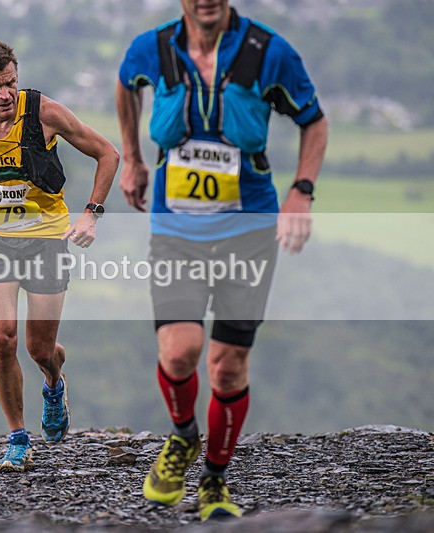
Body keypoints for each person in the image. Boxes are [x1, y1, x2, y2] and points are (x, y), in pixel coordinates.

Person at [116, 0, 327, 522]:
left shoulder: (269, 52)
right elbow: (126, 84)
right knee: (180, 351)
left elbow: (314, 123)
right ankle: (185, 436)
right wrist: (135, 158)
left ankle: (213, 476)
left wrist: (301, 191)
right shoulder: (154, 47)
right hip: (176, 228)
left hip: (248, 229)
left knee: (228, 367)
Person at [0, 41, 119, 473]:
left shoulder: (44, 113)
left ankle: (54, 382)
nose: (5, 94)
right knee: (2, 338)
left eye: (11, 83)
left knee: (38, 348)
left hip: (46, 238)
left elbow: (107, 153)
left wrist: (91, 214)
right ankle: (18, 438)